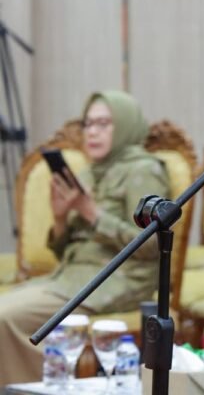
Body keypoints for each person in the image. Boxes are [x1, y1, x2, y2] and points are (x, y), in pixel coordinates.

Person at [0, 91, 169, 384]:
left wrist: (91, 212)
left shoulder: (144, 170)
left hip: (115, 281)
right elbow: (64, 252)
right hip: (71, 278)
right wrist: (60, 217)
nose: (92, 132)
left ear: (125, 124)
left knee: (5, 316)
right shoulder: (89, 172)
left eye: (103, 123)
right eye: (88, 123)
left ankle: (30, 388)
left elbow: (153, 244)